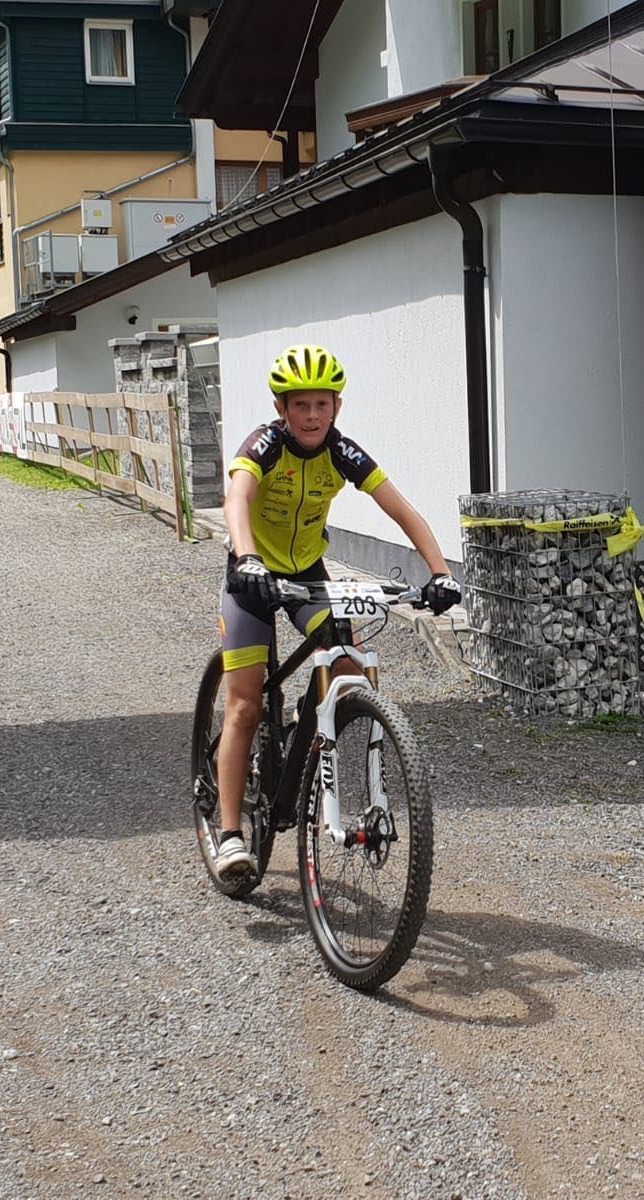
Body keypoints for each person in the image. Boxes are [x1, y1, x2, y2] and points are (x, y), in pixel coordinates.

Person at [213, 344, 462, 877]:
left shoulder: (342, 453)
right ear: (282, 409)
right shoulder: (265, 445)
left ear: (336, 408)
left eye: (320, 405)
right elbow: (237, 499)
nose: (310, 416)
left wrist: (440, 572)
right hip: (252, 576)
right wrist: (247, 556)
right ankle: (230, 832)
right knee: (244, 707)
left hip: (306, 574)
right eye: (299, 405)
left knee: (350, 668)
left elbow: (400, 508)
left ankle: (312, 727)